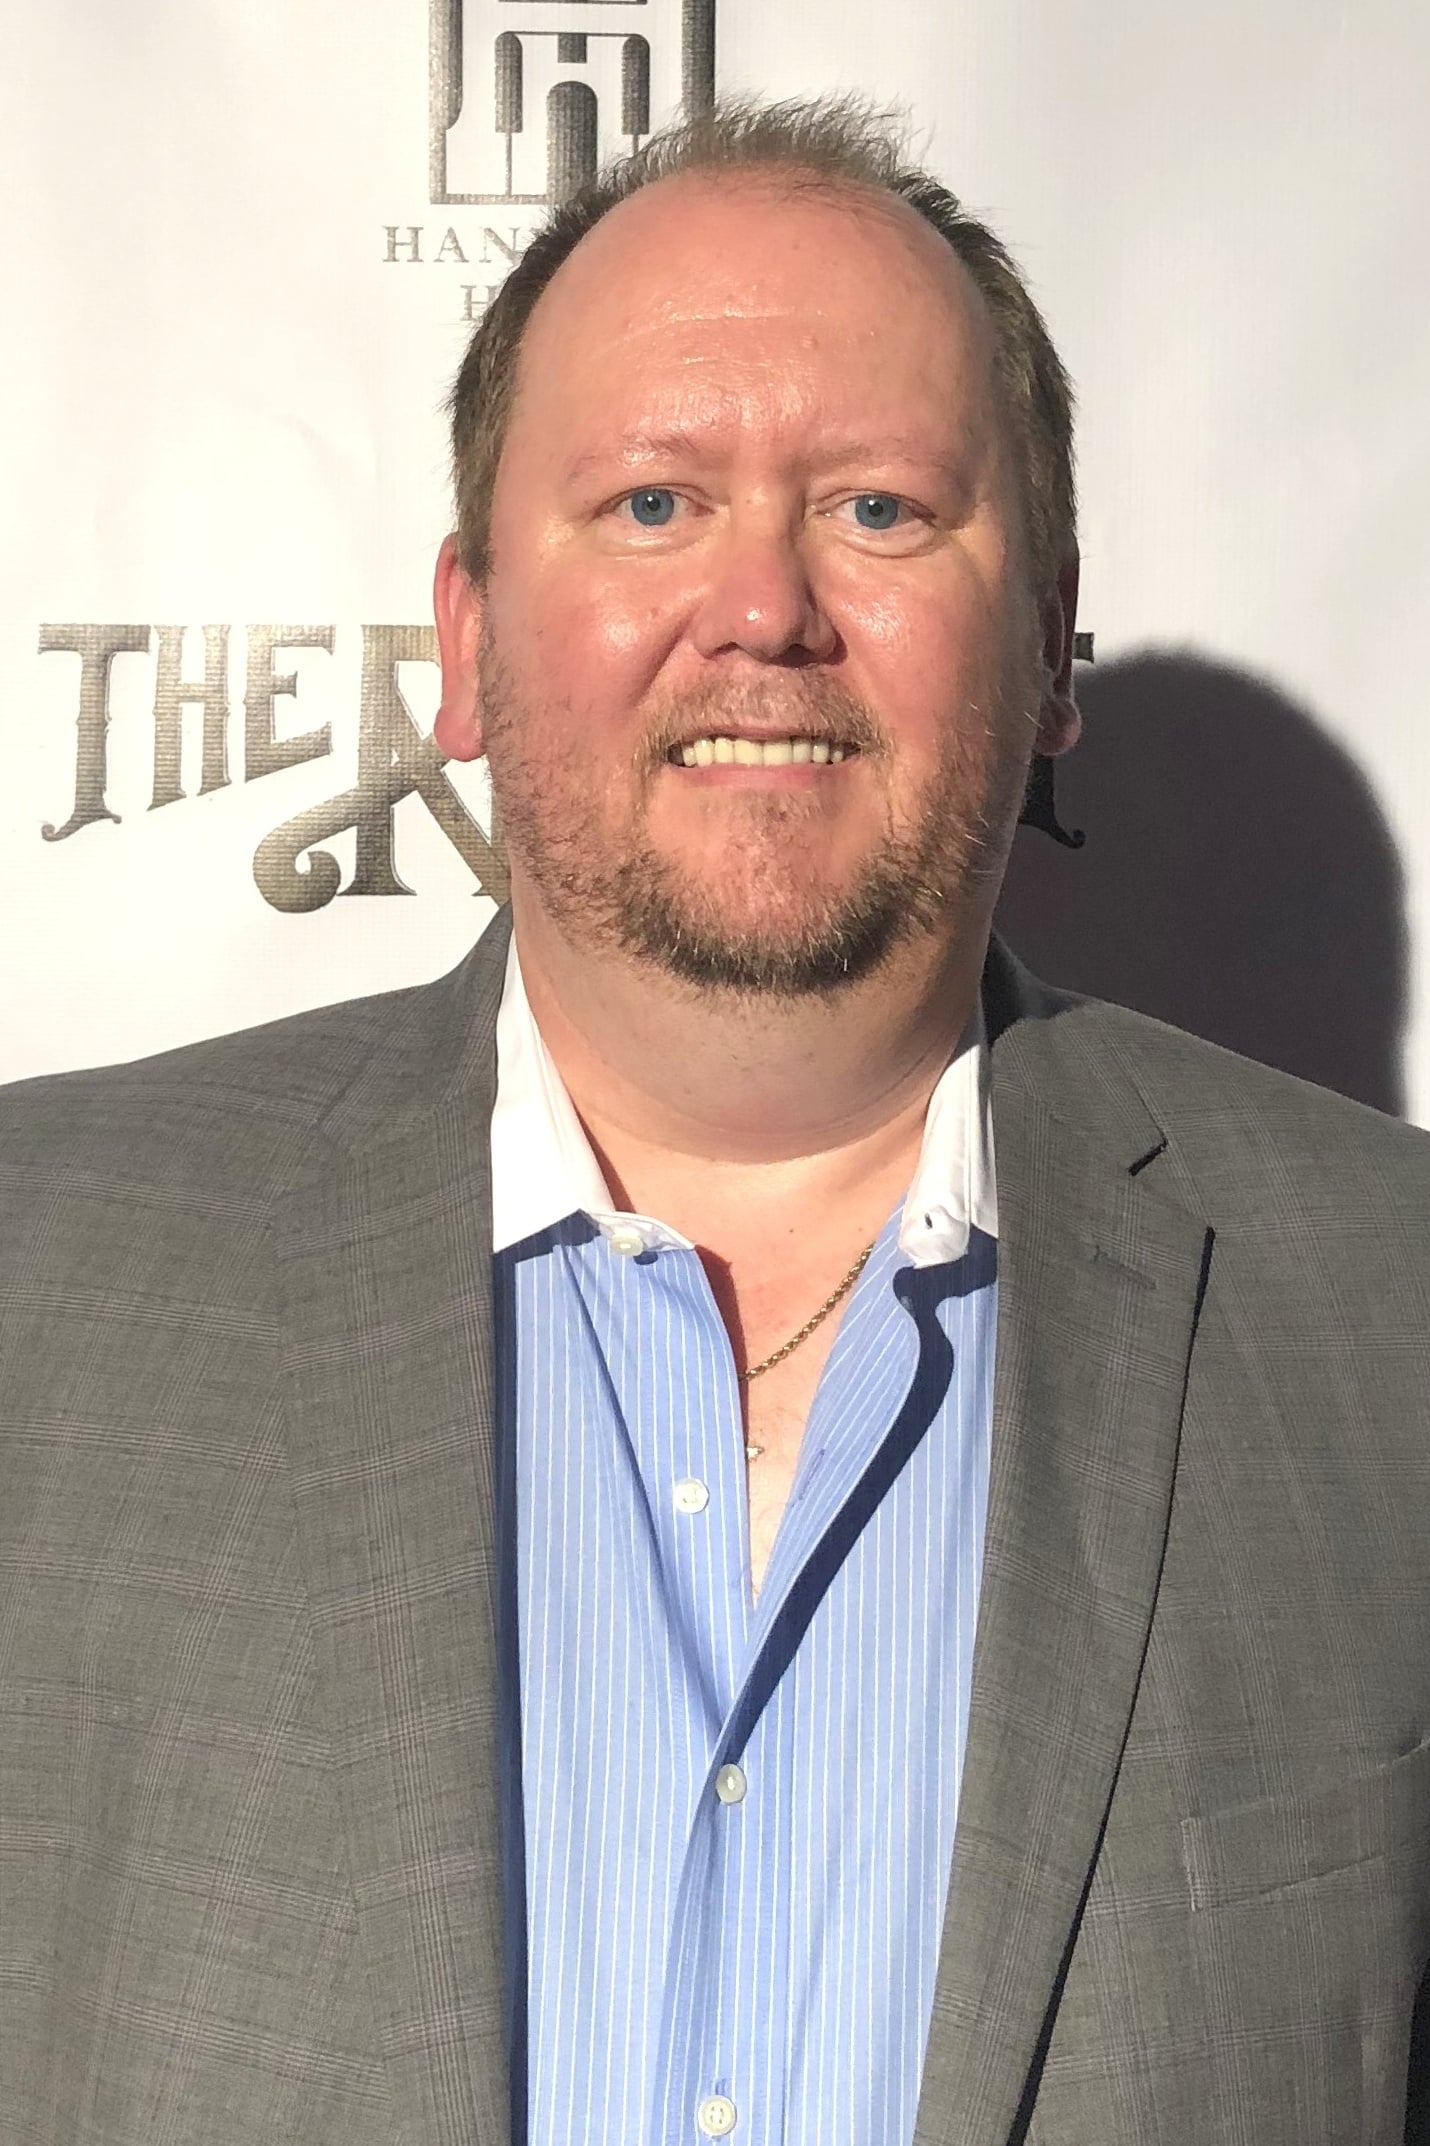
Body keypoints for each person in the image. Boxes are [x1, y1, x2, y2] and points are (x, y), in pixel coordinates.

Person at [1, 93, 1427, 2146]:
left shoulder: (1388, 1310)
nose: (763, 606)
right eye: (653, 503)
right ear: (467, 641)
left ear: (1049, 647)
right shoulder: (38, 1281)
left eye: (880, 509)